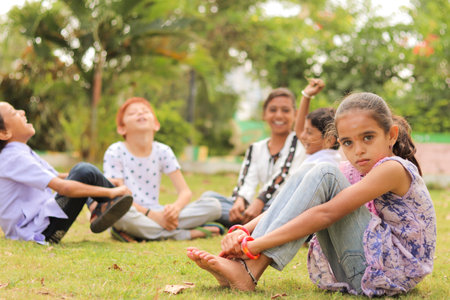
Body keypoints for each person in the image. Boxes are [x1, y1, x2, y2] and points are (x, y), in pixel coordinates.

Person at [187, 92, 436, 297]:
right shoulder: (351, 169)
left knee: (324, 172)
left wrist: (255, 245)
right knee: (314, 172)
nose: (358, 150)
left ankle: (248, 269)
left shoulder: (392, 169)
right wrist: (243, 230)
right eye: (348, 142)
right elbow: (298, 199)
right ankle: (243, 267)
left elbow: (326, 213)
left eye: (368, 138)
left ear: (391, 135)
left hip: (385, 274)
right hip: (362, 266)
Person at [0, 101, 133, 244]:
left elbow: (57, 177)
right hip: (39, 232)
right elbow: (65, 187)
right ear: (4, 133)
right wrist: (110, 192)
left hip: (40, 227)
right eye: (14, 112)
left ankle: (100, 207)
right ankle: (111, 209)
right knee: (84, 171)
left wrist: (104, 180)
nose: (22, 112)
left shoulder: (19, 152)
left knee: (86, 173)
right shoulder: (14, 157)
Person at [201, 80, 326, 228]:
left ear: (296, 115)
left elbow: (284, 176)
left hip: (282, 210)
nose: (279, 115)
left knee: (279, 213)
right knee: (209, 197)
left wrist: (306, 96)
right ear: (264, 114)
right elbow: (247, 180)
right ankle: (237, 223)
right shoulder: (256, 148)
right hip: (254, 209)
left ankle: (238, 225)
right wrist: (240, 201)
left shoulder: (302, 142)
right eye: (273, 110)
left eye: (285, 110)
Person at [97, 97, 222, 242]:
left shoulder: (163, 150)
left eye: (145, 111)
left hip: (158, 212)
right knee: (120, 216)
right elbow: (116, 197)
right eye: (132, 113)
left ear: (156, 125)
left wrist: (175, 209)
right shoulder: (115, 151)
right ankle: (186, 234)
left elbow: (185, 192)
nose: (140, 114)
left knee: (214, 205)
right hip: (132, 211)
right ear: (122, 128)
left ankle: (139, 233)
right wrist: (152, 215)